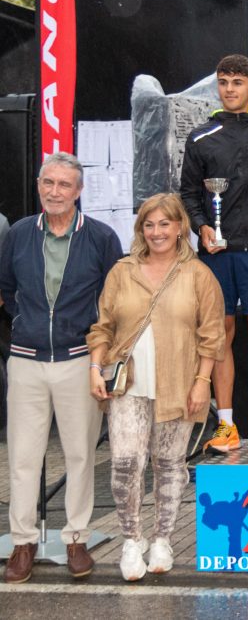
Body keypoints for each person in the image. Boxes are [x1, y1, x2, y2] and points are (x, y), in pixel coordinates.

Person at [87, 193, 225, 581]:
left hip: (180, 384)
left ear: (181, 227)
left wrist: (202, 383)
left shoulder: (199, 275)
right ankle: (131, 541)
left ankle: (163, 537)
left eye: (165, 224)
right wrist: (95, 368)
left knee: (169, 465)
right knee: (125, 463)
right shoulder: (121, 271)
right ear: (140, 229)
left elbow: (212, 336)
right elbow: (103, 327)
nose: (156, 232)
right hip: (127, 386)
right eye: (149, 224)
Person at [0, 152, 121, 584]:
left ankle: (76, 538)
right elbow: (7, 291)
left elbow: (112, 301)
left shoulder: (101, 237)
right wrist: (28, 326)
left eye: (64, 185)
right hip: (27, 361)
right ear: (38, 185)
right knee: (23, 458)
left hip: (78, 361)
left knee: (80, 455)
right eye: (48, 183)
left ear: (79, 191)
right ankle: (22, 542)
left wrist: (96, 355)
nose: (55, 192)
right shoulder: (16, 235)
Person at [180, 54, 248, 456]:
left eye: (238, 82)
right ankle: (226, 425)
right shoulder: (200, 137)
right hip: (217, 252)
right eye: (224, 82)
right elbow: (190, 193)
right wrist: (201, 225)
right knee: (220, 337)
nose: (230, 89)